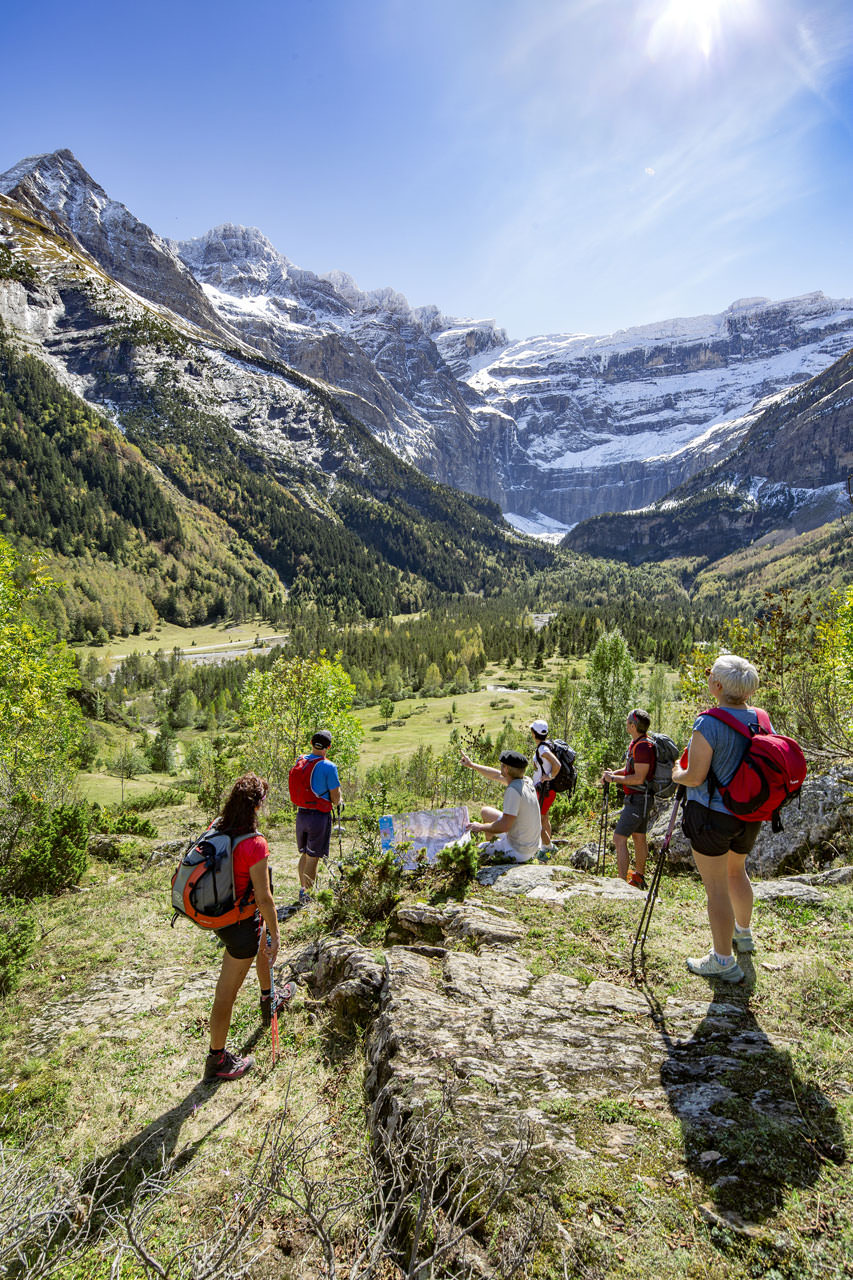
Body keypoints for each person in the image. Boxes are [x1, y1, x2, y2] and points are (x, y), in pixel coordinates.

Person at [671, 654, 764, 984]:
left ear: (718, 686)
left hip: (712, 816)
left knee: (716, 889)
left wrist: (675, 773)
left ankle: (723, 960)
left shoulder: (708, 723)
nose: (709, 677)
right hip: (750, 814)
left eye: (712, 674)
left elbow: (695, 777)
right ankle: (744, 934)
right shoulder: (761, 719)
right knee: (737, 871)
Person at [205, 773, 288, 1082]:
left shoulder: (218, 827)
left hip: (224, 916)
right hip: (240, 926)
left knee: (258, 938)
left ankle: (269, 996)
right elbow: (265, 899)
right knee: (226, 992)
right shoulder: (254, 844)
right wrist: (277, 934)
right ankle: (217, 1060)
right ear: (258, 805)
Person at [600, 709, 656, 889]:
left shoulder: (642, 747)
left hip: (638, 799)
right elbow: (630, 771)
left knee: (619, 838)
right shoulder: (638, 743)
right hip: (641, 798)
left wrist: (614, 779)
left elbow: (639, 778)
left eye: (628, 722)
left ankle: (621, 883)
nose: (626, 724)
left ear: (633, 725)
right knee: (639, 837)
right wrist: (613, 774)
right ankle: (638, 877)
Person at [461, 748, 541, 864]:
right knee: (486, 812)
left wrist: (481, 827)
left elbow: (504, 826)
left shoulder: (513, 790)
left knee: (478, 849)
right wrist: (472, 765)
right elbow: (496, 775)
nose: (500, 767)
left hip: (519, 851)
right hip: (529, 843)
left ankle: (494, 850)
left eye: (502, 765)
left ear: (506, 769)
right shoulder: (526, 781)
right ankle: (494, 844)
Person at [294, 729, 341, 907]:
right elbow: (335, 799)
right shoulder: (329, 766)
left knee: (305, 853)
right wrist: (339, 799)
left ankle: (302, 889)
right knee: (313, 858)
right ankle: (308, 895)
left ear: (312, 743)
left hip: (301, 814)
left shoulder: (301, 760)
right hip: (319, 816)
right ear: (328, 747)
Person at [529, 720, 562, 852]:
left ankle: (548, 848)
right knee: (544, 818)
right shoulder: (545, 746)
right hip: (547, 789)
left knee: (537, 820)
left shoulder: (542, 749)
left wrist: (550, 776)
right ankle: (546, 843)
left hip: (544, 790)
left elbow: (557, 764)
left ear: (534, 733)